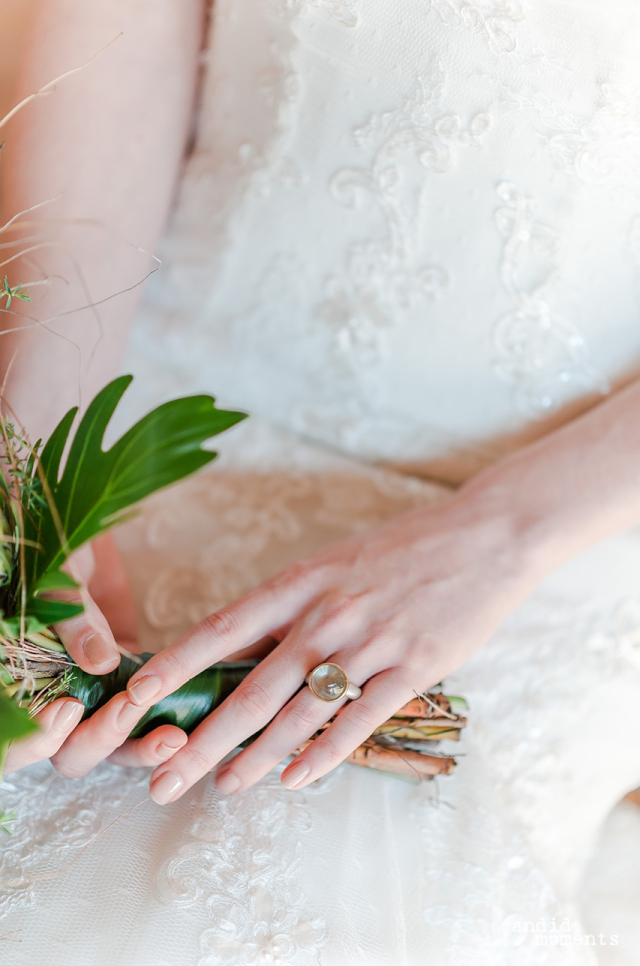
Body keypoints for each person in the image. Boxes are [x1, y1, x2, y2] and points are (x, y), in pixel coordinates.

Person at [2, 0, 640, 962]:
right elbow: (119, 41)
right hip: (144, 392)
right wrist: (39, 472)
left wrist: (507, 534)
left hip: (556, 519)